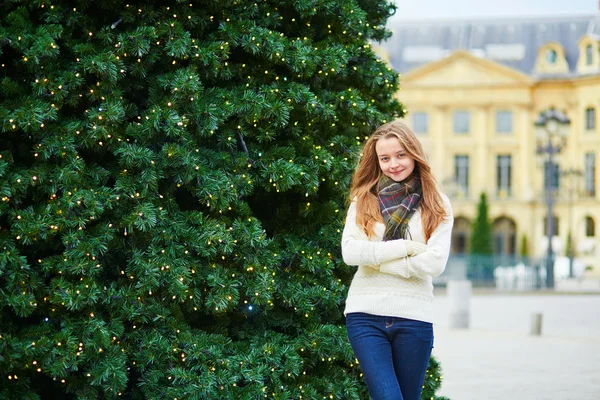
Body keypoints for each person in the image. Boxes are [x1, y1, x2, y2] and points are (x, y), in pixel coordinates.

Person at [341, 120, 453, 400]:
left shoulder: (437, 203)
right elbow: (351, 253)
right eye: (385, 158)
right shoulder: (363, 200)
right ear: (376, 161)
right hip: (365, 314)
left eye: (400, 155)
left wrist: (375, 258)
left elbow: (435, 263)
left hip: (414, 315)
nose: (394, 164)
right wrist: (407, 247)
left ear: (414, 154)